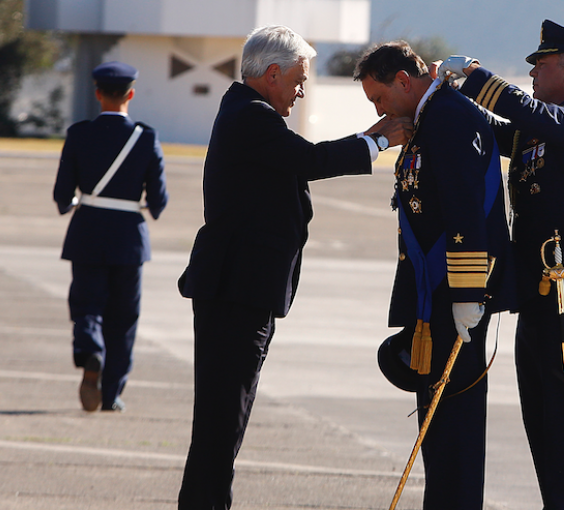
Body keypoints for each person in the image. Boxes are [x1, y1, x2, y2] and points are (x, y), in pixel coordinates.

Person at [176, 25, 412, 509]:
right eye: (299, 79)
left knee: (226, 420)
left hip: (242, 291)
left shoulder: (248, 111)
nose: (303, 89)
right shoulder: (251, 116)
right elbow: (306, 161)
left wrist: (369, 137)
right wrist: (379, 143)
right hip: (236, 293)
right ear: (273, 73)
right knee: (222, 422)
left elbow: (294, 163)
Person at [439, 20, 564, 510]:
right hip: (537, 289)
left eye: (541, 65)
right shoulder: (541, 125)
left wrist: (477, 77)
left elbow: (519, 108)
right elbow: (492, 129)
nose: (531, 73)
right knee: (542, 416)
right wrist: (441, 100)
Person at [354, 42, 513, 510]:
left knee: (455, 431)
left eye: (379, 98)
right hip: (435, 298)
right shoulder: (427, 119)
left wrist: (467, 293)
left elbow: (467, 207)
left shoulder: (448, 116)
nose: (379, 110)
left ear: (404, 80)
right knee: (437, 430)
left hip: (455, 301)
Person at [53, 61, 168, 413]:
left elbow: (61, 195)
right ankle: (111, 392)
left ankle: (90, 350)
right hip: (128, 240)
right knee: (124, 317)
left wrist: (76, 202)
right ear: (131, 94)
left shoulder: (78, 134)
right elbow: (159, 200)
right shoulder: (146, 137)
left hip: (87, 232)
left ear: (97, 93)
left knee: (87, 305)